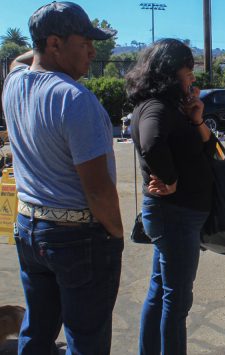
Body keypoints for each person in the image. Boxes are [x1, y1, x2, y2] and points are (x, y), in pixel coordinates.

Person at [1, 2, 124, 354]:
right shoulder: (75, 99)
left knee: (37, 332)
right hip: (78, 238)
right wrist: (115, 234)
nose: (92, 50)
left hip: (29, 228)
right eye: (84, 41)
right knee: (86, 339)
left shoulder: (14, 84)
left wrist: (41, 44)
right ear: (55, 44)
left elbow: (18, 62)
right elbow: (99, 191)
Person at [125, 38, 218, 355]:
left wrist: (197, 118)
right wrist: (171, 179)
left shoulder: (174, 107)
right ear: (170, 70)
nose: (192, 76)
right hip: (175, 215)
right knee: (176, 301)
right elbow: (151, 144)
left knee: (160, 292)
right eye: (188, 69)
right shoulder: (157, 107)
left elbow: (209, 147)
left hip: (177, 216)